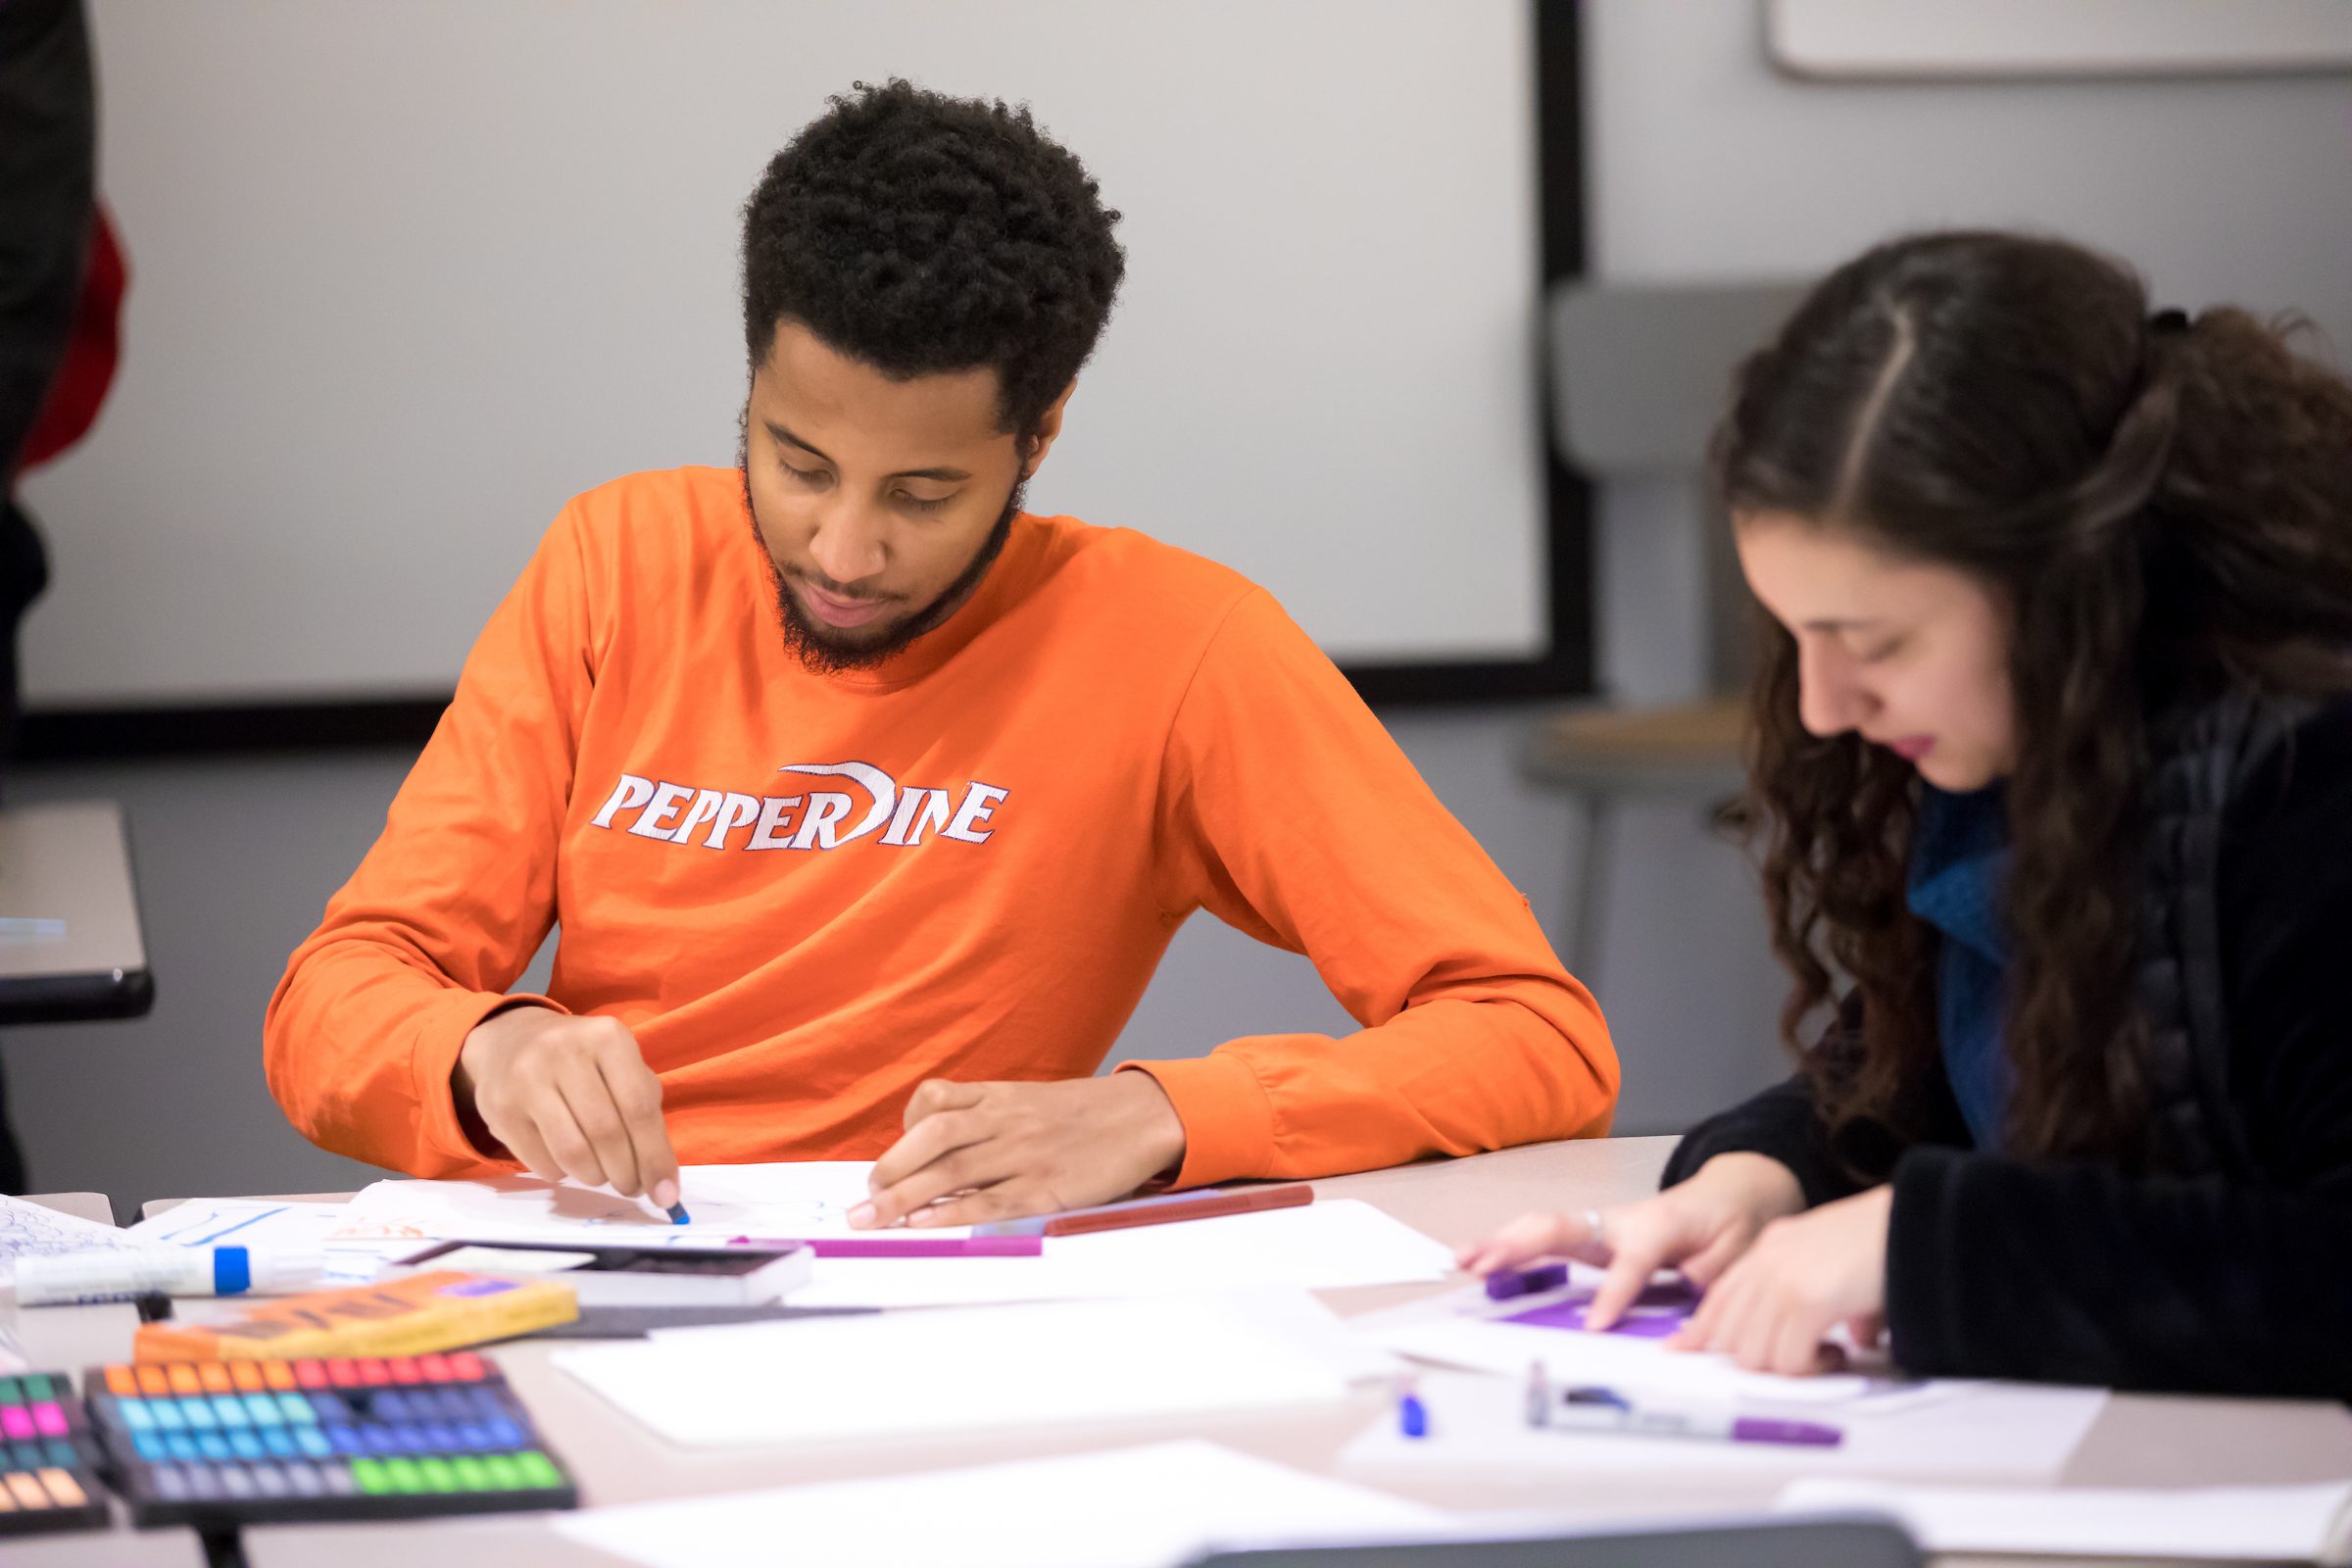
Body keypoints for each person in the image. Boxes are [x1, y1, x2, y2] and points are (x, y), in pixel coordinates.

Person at [265, 80, 1616, 1226]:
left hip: (930, 1304)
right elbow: (330, 1003)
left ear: (1038, 438)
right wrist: (485, 1048)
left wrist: (1159, 1115)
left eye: (921, 497)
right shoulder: (613, 562)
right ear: (749, 387)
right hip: (585, 1272)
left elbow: (1535, 1038)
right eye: (797, 465)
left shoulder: (1181, 647)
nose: (844, 551)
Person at [1460, 230, 2352, 1398]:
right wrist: (1760, 1178)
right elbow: (1918, 1067)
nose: (1824, 707)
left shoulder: (2309, 783)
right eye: (1798, 636)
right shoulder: (2022, 755)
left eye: (1874, 643)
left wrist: (1919, 1246)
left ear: (2065, 586)